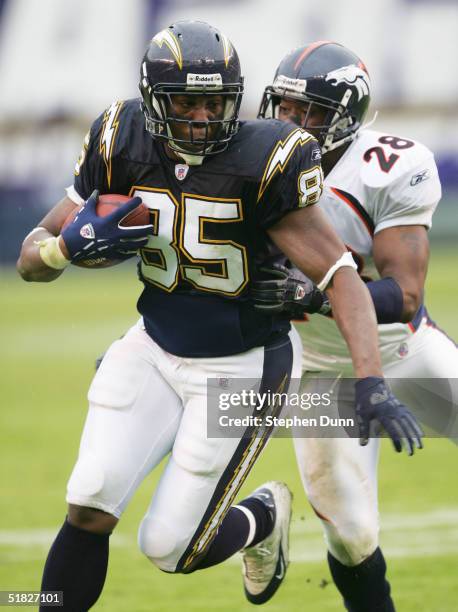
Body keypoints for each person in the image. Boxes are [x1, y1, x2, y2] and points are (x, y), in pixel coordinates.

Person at [17, 23, 423, 611]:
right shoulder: (121, 137)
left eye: (216, 102)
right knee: (89, 499)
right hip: (152, 346)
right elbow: (33, 257)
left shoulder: (265, 157)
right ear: (154, 100)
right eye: (187, 101)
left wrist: (370, 382)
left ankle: (261, 518)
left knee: (169, 546)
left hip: (241, 366)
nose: (203, 117)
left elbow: (341, 278)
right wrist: (60, 250)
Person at [254, 41, 458, 611]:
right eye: (285, 108)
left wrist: (314, 296)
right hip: (319, 371)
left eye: (310, 112)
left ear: (347, 114)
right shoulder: (251, 162)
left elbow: (404, 295)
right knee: (350, 534)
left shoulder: (388, 166)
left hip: (402, 349)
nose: (292, 124)